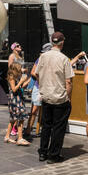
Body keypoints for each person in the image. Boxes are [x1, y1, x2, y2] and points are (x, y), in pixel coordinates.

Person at [35, 31, 74, 164]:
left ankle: (43, 152)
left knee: (46, 125)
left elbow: (37, 74)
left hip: (46, 96)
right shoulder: (64, 59)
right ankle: (53, 154)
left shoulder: (43, 57)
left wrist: (43, 88)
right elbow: (68, 81)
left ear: (52, 42)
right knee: (58, 127)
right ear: (62, 42)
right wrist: (68, 97)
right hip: (59, 97)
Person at [24, 43, 53, 138]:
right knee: (34, 110)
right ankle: (28, 130)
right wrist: (41, 80)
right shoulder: (40, 59)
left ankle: (44, 130)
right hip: (38, 87)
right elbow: (33, 72)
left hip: (48, 87)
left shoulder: (53, 60)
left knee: (47, 110)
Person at [4, 63, 31, 146]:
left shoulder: (15, 76)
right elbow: (14, 89)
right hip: (15, 100)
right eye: (19, 68)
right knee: (20, 117)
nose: (21, 70)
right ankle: (20, 138)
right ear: (15, 70)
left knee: (13, 119)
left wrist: (28, 78)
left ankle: (7, 137)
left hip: (17, 98)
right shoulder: (12, 78)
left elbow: (21, 86)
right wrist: (22, 81)